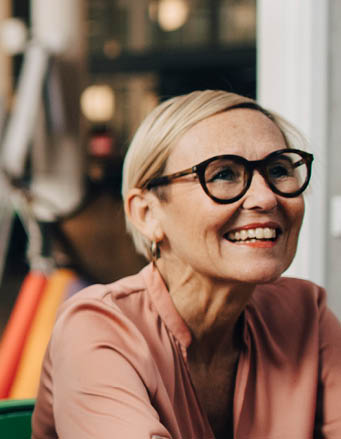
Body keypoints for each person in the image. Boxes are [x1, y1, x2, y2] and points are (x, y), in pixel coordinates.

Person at [32, 90, 341, 438]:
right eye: (224, 174)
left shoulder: (304, 314)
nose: (265, 197)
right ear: (146, 214)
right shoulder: (98, 328)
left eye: (279, 169)